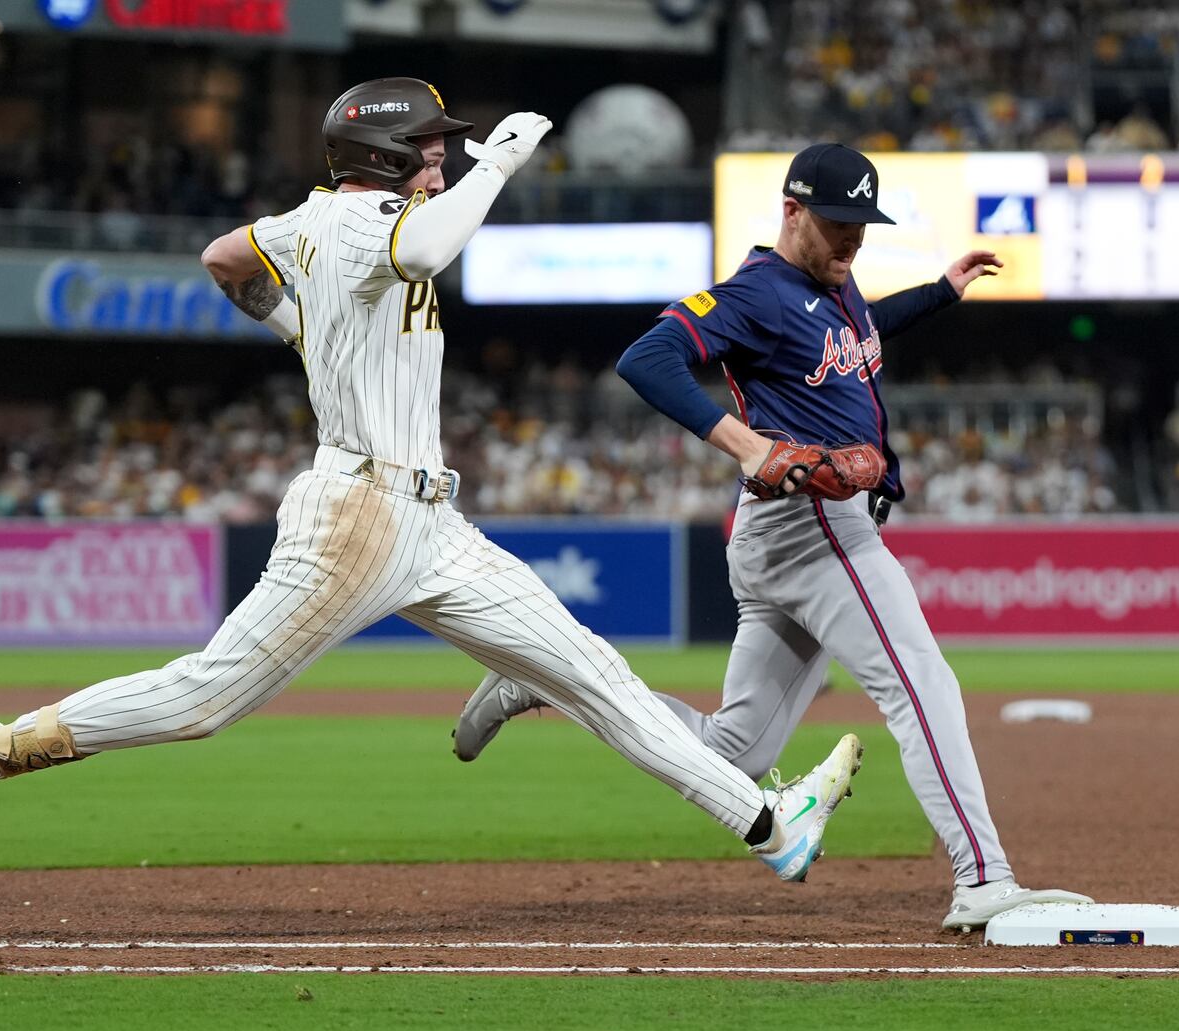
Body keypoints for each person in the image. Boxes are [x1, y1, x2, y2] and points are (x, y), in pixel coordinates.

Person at [0, 80, 862, 887]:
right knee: (204, 699)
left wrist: (289, 318)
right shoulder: (364, 218)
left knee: (595, 676)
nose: (443, 156)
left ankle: (770, 823)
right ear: (388, 159)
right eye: (431, 147)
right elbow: (427, 244)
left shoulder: (322, 222)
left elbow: (223, 255)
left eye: (448, 148)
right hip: (358, 514)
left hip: (430, 519)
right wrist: (499, 164)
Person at [453, 143, 1090, 930]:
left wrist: (940, 292)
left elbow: (862, 335)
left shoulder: (838, 281)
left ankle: (549, 679)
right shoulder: (757, 293)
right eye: (836, 222)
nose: (852, 239)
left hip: (789, 535)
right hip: (814, 526)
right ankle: (984, 878)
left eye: (862, 223)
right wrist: (748, 445)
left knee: (733, 756)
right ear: (792, 212)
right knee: (922, 685)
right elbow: (645, 358)